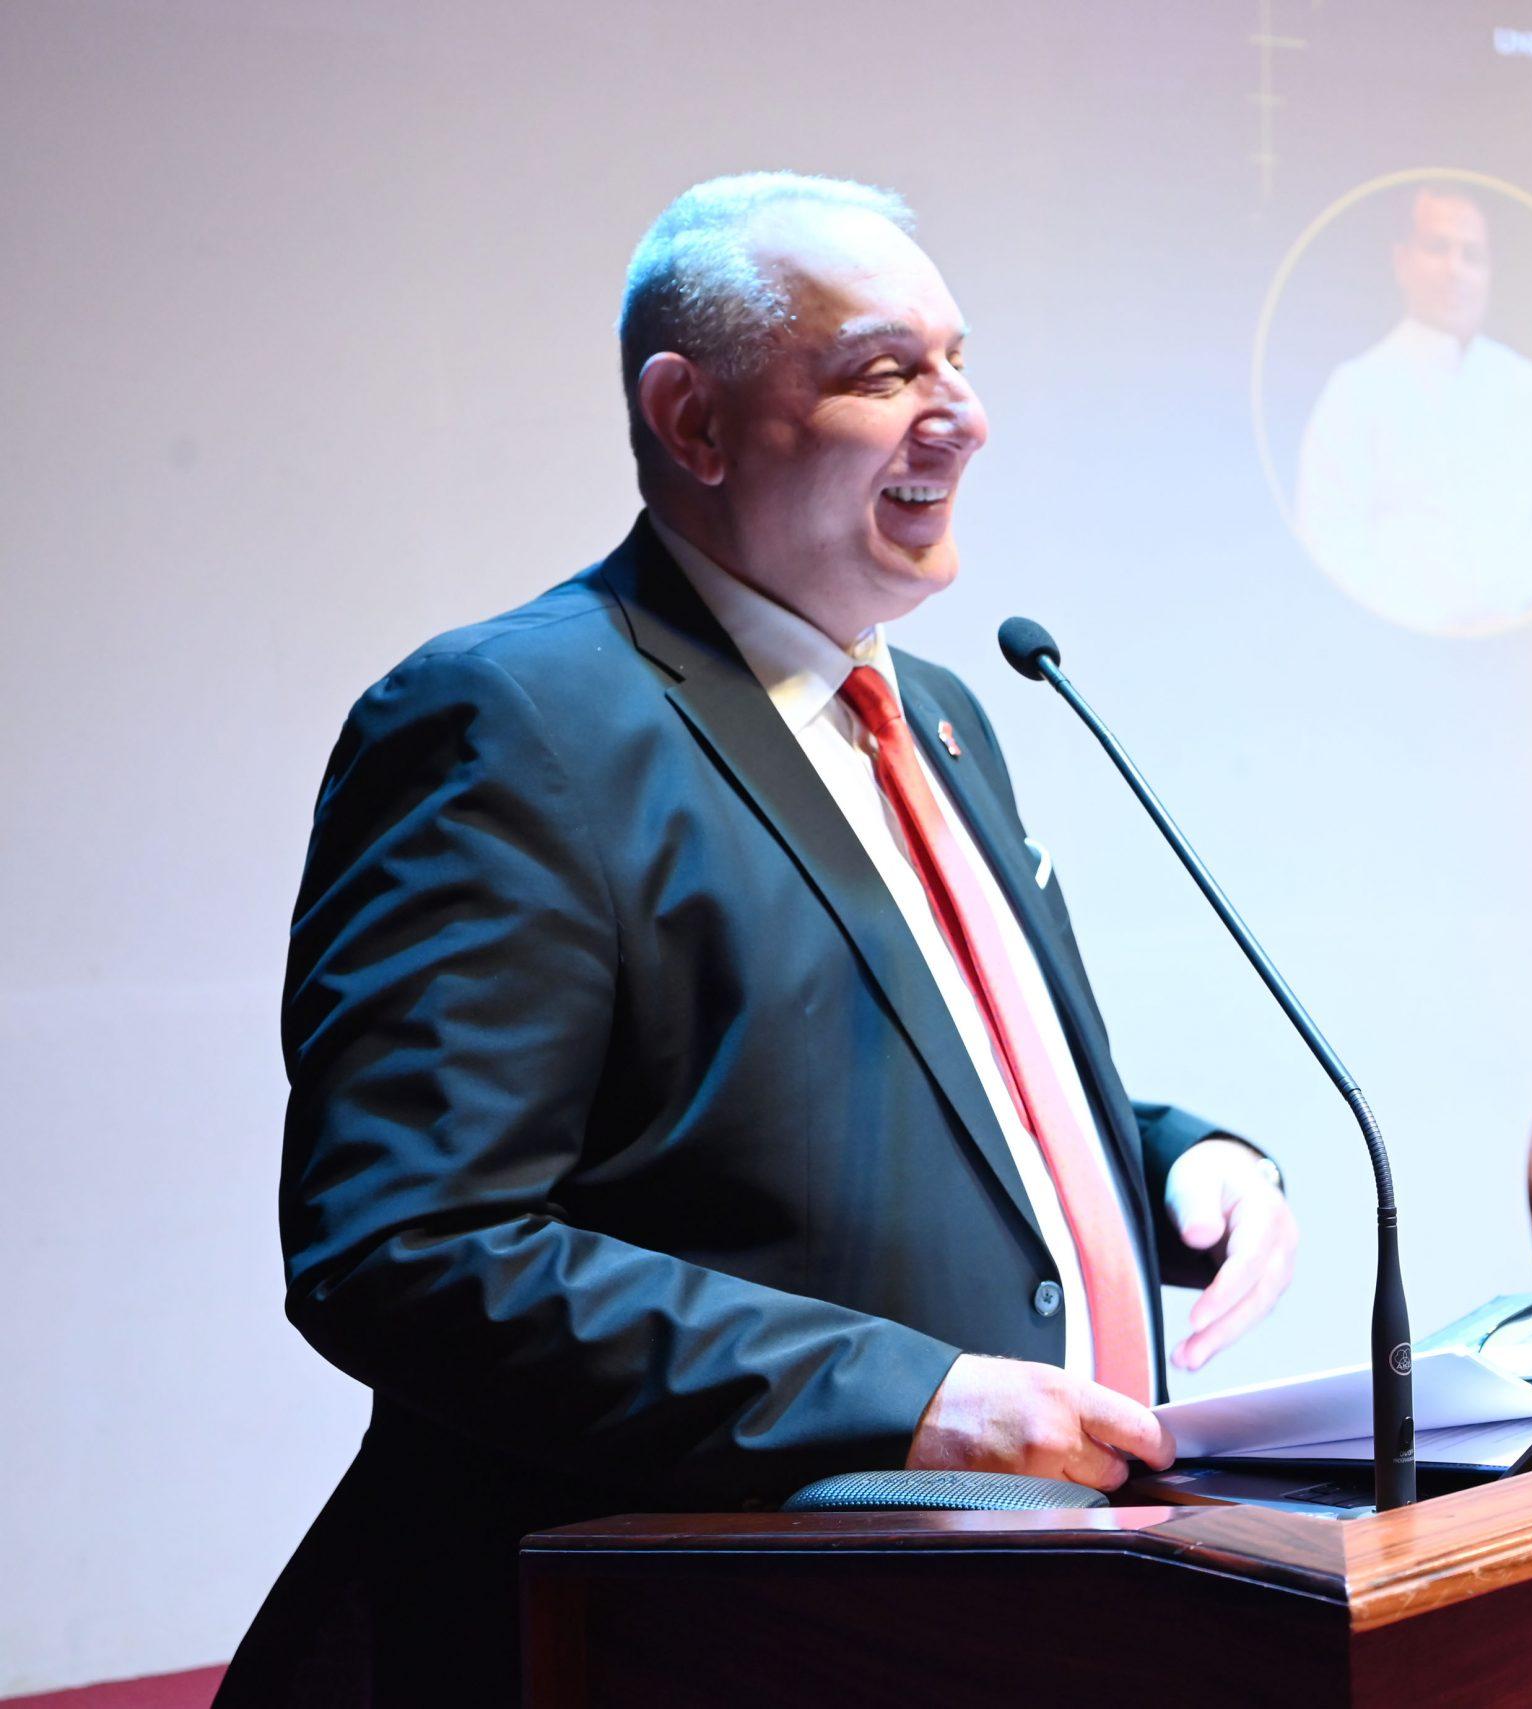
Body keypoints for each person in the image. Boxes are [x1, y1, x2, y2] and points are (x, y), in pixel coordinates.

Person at [216, 173, 1300, 1706]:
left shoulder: (942, 711)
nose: (964, 415)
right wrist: (904, 1394)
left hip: (1006, 1615)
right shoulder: (513, 719)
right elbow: (405, 1248)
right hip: (668, 1645)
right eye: (886, 371)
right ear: (694, 420)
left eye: (960, 358)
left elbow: (915, 1083)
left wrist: (1173, 1161)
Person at [1294, 182, 1532, 636]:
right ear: (1402, 262)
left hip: (1529, 660)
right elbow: (1329, 540)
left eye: (1472, 256)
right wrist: (1429, 626)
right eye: (1437, 249)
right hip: (1397, 657)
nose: (1455, 271)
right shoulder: (1356, 389)